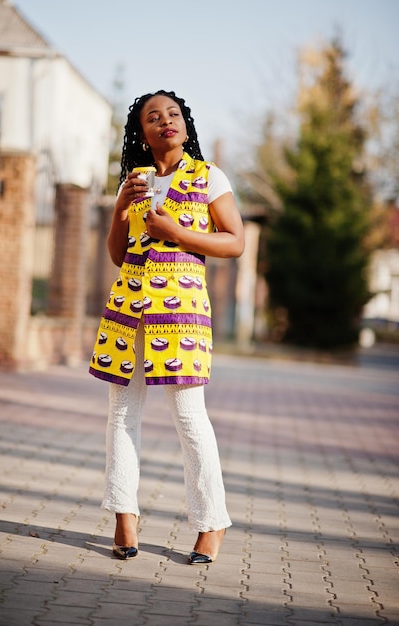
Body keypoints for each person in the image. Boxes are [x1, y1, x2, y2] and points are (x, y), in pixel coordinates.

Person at [89, 89, 245, 564]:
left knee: (189, 417)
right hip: (128, 309)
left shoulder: (208, 176)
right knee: (120, 414)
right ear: (141, 132)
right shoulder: (132, 182)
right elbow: (118, 254)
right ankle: (123, 517)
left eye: (172, 114)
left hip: (180, 313)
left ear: (184, 123)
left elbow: (234, 241)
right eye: (153, 117)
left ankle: (211, 520)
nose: (165, 122)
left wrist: (177, 234)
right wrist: (120, 210)